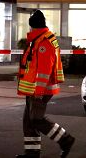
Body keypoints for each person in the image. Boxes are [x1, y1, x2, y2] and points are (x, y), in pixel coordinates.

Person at [16, 10, 75, 158]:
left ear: (33, 26)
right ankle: (31, 153)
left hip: (39, 90)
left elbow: (44, 69)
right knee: (29, 121)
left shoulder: (44, 42)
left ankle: (65, 139)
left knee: (36, 119)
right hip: (33, 89)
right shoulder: (38, 39)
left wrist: (39, 91)